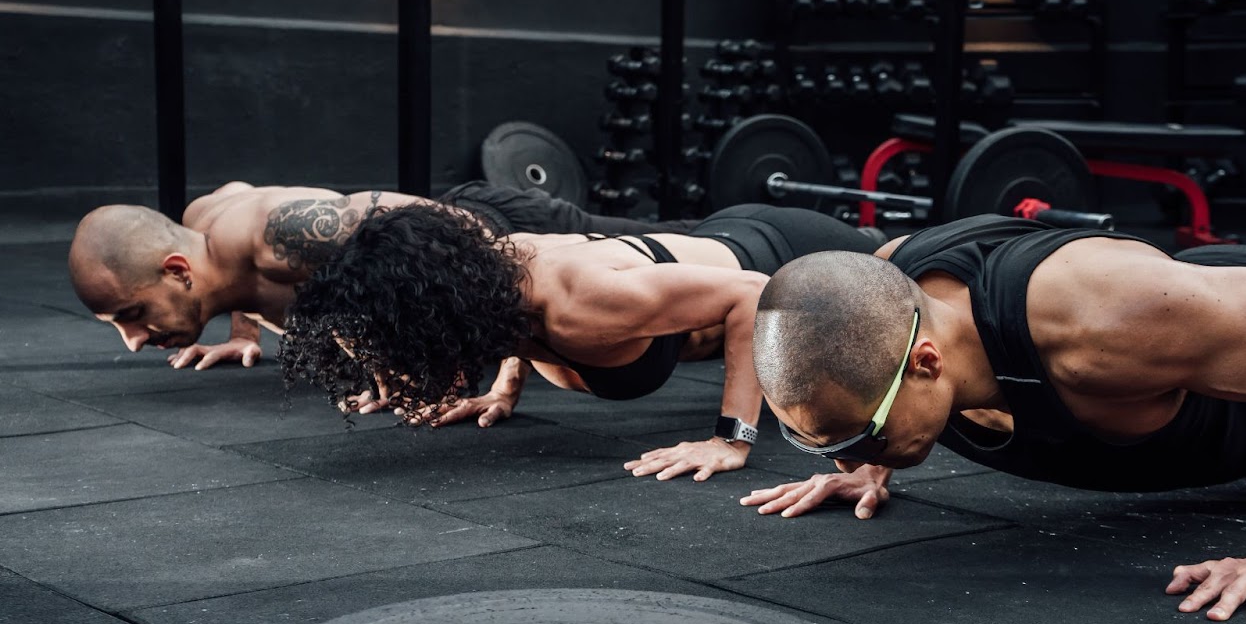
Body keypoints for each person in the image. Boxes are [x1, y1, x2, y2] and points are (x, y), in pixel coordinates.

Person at [743, 215, 1246, 624]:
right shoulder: (894, 284)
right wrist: (874, 453)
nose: (843, 461)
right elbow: (869, 352)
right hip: (1221, 312)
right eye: (829, 444)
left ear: (928, 364)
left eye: (857, 438)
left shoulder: (1097, 321)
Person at [278, 201, 879, 480]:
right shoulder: (496, 294)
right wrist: (505, 388)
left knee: (911, 271)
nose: (388, 381)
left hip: (793, 255)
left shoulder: (578, 303)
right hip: (717, 235)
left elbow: (751, 293)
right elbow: (503, 316)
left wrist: (732, 439)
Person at [68, 181, 696, 370]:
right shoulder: (205, 235)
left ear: (175, 271)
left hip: (497, 229)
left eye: (131, 315)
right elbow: (230, 256)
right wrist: (245, 333)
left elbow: (437, 226)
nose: (135, 338)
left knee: (680, 245)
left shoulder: (279, 235)